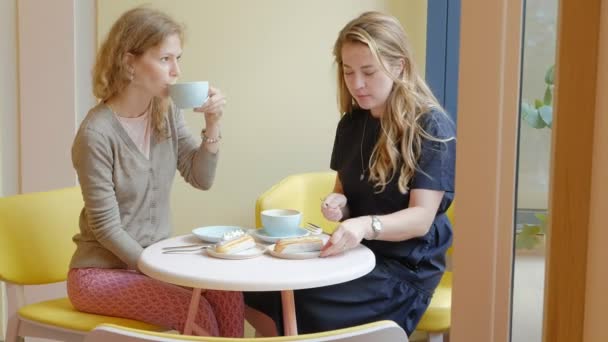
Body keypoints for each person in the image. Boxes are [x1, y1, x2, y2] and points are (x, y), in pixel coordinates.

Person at [244, 11, 455, 336]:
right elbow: (343, 193)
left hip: (403, 269)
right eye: (348, 72)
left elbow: (420, 219)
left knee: (299, 304)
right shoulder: (352, 124)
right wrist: (337, 204)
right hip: (355, 256)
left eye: (368, 72)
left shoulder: (430, 127)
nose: (356, 84)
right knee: (257, 292)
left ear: (399, 66)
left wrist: (363, 225)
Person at [67, 7, 243, 337]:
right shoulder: (96, 135)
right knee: (195, 312)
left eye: (178, 58)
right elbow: (106, 227)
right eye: (165, 59)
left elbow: (200, 177)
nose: (176, 71)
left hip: (155, 263)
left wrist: (213, 124)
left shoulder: (166, 111)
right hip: (100, 274)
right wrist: (159, 270)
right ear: (129, 62)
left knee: (227, 294)